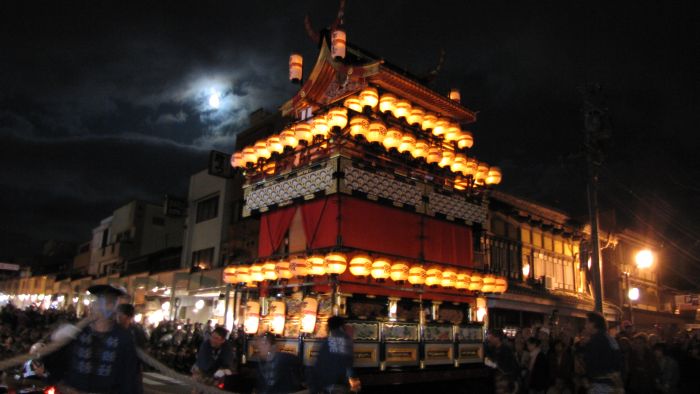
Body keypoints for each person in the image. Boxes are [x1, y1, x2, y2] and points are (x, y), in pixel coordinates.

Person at [44, 284, 141, 394]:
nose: (107, 306)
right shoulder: (78, 333)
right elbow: (56, 359)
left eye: (112, 302)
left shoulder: (123, 337)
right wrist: (61, 385)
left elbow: (130, 377)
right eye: (103, 301)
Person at [309, 316, 360, 394]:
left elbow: (320, 364)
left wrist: (315, 386)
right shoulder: (344, 340)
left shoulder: (328, 341)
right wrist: (353, 381)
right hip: (337, 382)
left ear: (329, 327)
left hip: (327, 382)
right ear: (341, 326)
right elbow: (347, 362)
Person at [578, 312, 623, 394]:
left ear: (593, 324)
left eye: (587, 322)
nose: (585, 326)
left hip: (601, 385)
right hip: (613, 383)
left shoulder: (595, 341)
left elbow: (591, 363)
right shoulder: (610, 338)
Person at [485, 329, 520, 394]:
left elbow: (508, 368)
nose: (489, 341)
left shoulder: (505, 350)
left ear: (497, 338)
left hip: (506, 381)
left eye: (491, 338)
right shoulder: (493, 349)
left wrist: (494, 364)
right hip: (498, 381)